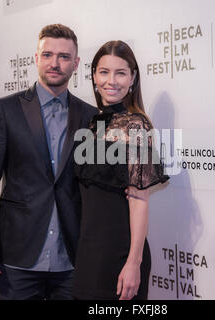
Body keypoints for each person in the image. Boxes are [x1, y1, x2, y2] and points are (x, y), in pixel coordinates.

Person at [0, 24, 97, 300]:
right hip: (18, 257)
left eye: (64, 57)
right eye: (48, 54)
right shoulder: (5, 110)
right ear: (35, 58)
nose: (55, 63)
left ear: (76, 64)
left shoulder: (90, 117)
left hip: (73, 259)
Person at [72, 40, 169, 300]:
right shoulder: (94, 122)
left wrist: (133, 262)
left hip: (120, 254)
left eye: (121, 73)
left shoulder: (136, 126)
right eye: (104, 72)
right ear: (93, 76)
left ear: (133, 78)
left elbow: (139, 200)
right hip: (88, 252)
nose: (111, 81)